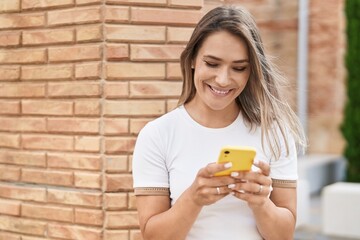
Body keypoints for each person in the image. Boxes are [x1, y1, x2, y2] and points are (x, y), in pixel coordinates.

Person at [132, 5, 306, 240]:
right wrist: (193, 198)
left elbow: (284, 235)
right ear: (193, 59)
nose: (223, 80)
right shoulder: (157, 135)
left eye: (239, 68)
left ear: (251, 71)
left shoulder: (274, 132)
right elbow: (152, 236)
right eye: (212, 64)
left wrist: (261, 203)